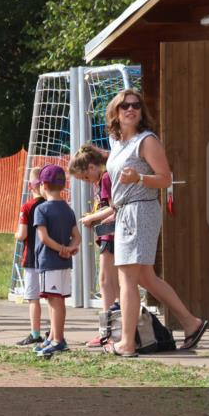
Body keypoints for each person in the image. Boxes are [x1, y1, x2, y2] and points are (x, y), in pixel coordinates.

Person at [103, 89, 207, 357]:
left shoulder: (146, 140)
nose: (130, 109)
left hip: (140, 212)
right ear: (115, 111)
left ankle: (126, 343)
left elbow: (165, 179)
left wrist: (138, 178)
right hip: (126, 212)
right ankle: (191, 323)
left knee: (127, 278)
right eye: (124, 105)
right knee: (146, 277)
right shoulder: (117, 142)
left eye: (136, 105)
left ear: (141, 111)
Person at [70, 143, 120, 347]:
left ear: (92, 167)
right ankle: (109, 330)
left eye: (84, 177)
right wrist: (93, 217)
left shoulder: (106, 178)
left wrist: (91, 219)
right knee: (108, 282)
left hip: (112, 236)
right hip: (107, 235)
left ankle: (109, 332)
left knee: (107, 282)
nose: (85, 181)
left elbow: (112, 207)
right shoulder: (99, 181)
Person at [31, 165, 81, 357]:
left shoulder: (41, 209)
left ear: (43, 185)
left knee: (54, 301)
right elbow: (76, 236)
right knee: (56, 299)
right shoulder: (67, 209)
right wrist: (69, 248)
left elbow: (43, 237)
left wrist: (61, 249)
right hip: (64, 263)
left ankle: (58, 340)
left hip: (49, 261)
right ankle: (52, 336)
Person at [14, 169, 47, 346]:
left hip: (32, 259)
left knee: (33, 298)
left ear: (30, 186)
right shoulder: (52, 205)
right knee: (54, 297)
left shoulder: (27, 207)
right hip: (50, 258)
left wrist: (16, 235)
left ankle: (35, 333)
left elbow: (22, 234)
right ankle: (56, 332)